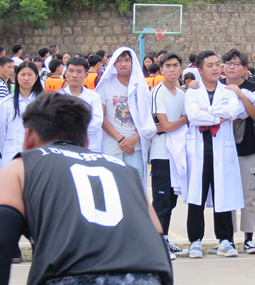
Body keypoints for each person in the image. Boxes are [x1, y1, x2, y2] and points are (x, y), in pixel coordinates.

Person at [0, 93, 173, 285]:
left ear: (28, 137)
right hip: (145, 276)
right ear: (85, 141)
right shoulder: (125, 171)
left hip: (70, 275)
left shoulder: (20, 168)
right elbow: (157, 239)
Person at [184, 50, 244, 259]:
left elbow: (233, 111)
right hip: (200, 153)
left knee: (222, 195)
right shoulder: (193, 92)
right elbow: (193, 116)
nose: (216, 68)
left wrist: (207, 114)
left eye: (217, 64)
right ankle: (195, 241)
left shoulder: (228, 91)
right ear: (200, 70)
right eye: (210, 65)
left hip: (222, 153)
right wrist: (217, 117)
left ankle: (225, 240)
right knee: (197, 198)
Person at [220, 48, 255, 254]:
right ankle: (227, 238)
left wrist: (239, 93)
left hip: (248, 148)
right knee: (226, 194)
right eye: (228, 63)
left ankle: (249, 238)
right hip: (223, 149)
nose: (231, 67)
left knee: (249, 195)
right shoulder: (217, 85)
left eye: (236, 64)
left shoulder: (252, 87)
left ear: (244, 68)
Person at [148, 52, 189, 259]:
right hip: (161, 154)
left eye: (175, 65)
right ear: (161, 69)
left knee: (171, 201)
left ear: (181, 68)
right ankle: (155, 245)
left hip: (177, 154)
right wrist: (184, 119)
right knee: (161, 201)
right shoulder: (157, 92)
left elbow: (173, 125)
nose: (172, 69)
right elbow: (165, 125)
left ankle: (164, 240)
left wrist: (176, 123)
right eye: (168, 66)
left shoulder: (182, 95)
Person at [96, 46, 155, 184]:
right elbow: (100, 117)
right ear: (114, 63)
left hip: (135, 146)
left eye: (127, 60)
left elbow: (146, 117)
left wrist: (135, 138)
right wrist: (120, 139)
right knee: (112, 186)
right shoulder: (105, 85)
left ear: (133, 62)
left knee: (135, 186)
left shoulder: (140, 87)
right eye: (119, 60)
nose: (123, 64)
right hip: (112, 145)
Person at [0, 62, 43, 168]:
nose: (26, 78)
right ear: (16, 76)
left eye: (30, 75)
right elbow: (0, 133)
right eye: (22, 74)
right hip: (12, 155)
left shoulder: (44, 102)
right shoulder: (6, 103)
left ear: (36, 77)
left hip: (38, 157)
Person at [60, 57, 104, 153]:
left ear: (86, 75)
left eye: (79, 72)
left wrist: (69, 128)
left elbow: (96, 123)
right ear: (66, 73)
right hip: (64, 147)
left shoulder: (94, 96)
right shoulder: (58, 97)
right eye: (71, 71)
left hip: (89, 147)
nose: (74, 75)